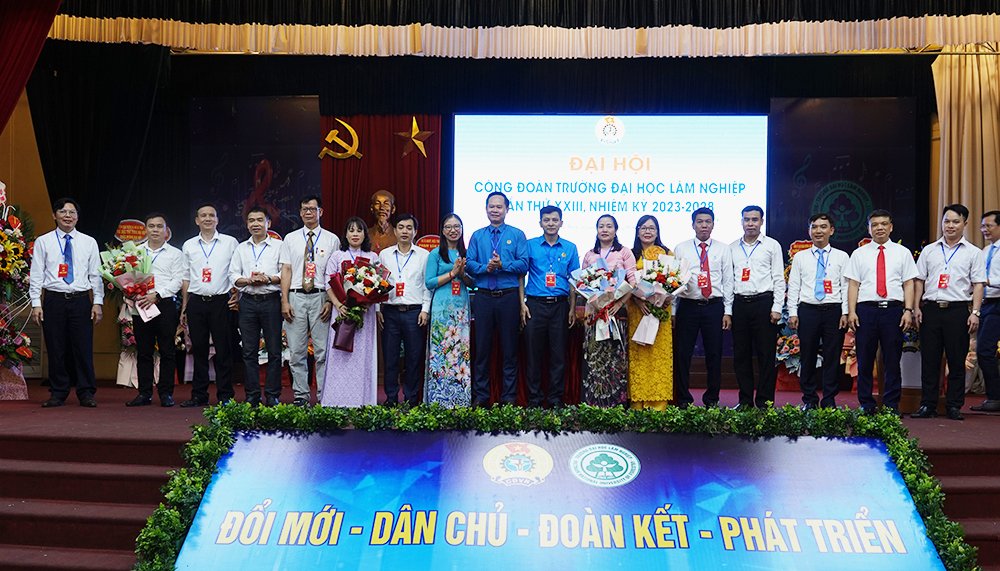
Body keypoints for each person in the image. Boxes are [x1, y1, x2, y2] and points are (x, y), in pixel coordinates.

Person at [911, 204, 985, 421]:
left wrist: (976, 312)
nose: (950, 225)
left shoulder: (973, 252)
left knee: (956, 360)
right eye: (946, 221)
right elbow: (919, 281)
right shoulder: (929, 250)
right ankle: (928, 405)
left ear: (965, 224)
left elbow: (978, 284)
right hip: (931, 310)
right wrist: (915, 307)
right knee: (930, 361)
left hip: (958, 311)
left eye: (955, 221)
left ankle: (953, 405)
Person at [29, 198, 104, 408]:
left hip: (81, 301)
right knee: (56, 348)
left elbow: (96, 275)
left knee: (83, 348)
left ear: (77, 217)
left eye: (72, 212)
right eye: (63, 212)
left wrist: (97, 302)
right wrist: (36, 303)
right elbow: (36, 274)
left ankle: (86, 392)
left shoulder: (89, 242)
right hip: (54, 300)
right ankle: (58, 392)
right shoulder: (43, 241)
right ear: (54, 215)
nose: (68, 216)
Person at [845, 209, 917, 414]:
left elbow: (909, 283)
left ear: (891, 227)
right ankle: (866, 404)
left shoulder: (902, 252)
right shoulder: (859, 254)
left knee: (892, 360)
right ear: (869, 228)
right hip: (866, 311)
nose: (879, 228)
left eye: (884, 224)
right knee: (865, 360)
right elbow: (853, 285)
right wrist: (851, 312)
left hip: (893, 311)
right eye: (874, 225)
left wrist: (908, 310)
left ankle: (891, 405)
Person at [466, 192, 528, 406]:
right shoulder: (477, 236)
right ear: (486, 209)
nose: (495, 210)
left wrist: (503, 265)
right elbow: (469, 264)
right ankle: (481, 397)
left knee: (509, 349)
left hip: (508, 297)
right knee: (482, 350)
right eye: (491, 206)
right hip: (483, 297)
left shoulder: (517, 234)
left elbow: (524, 264)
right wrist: (486, 268)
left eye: (499, 207)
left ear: (507, 209)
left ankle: (508, 398)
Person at [280, 195, 340, 406]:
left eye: (312, 209)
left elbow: (335, 274)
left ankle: (325, 396)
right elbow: (286, 270)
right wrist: (284, 300)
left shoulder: (332, 240)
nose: (308, 212)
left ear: (320, 212)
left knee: (323, 352)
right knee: (297, 351)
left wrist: (330, 301)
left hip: (321, 297)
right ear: (300, 212)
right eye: (304, 209)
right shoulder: (290, 239)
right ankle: (301, 396)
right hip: (295, 296)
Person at [672, 207, 734, 408]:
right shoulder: (681, 248)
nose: (704, 225)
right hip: (687, 306)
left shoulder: (723, 249)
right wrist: (673, 311)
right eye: (700, 222)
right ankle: (683, 399)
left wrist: (728, 311)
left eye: (708, 222)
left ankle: (712, 399)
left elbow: (728, 281)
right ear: (693, 225)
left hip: (713, 307)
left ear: (713, 225)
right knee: (683, 354)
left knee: (714, 354)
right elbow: (674, 281)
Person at [179, 203, 240, 407]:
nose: (207, 218)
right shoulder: (189, 245)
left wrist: (236, 295)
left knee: (224, 350)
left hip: (222, 301)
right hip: (196, 301)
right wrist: (185, 306)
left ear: (217, 219)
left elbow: (236, 271)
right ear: (197, 220)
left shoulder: (230, 243)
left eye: (211, 215)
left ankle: (225, 395)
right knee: (199, 349)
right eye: (203, 215)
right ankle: (199, 395)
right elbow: (186, 277)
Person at [787, 213, 849, 409]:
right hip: (808, 311)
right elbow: (794, 286)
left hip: (833, 311)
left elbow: (846, 287)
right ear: (809, 231)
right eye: (814, 227)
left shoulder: (842, 256)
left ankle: (829, 400)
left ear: (831, 230)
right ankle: (809, 400)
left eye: (823, 227)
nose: (818, 231)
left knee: (832, 357)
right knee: (807, 356)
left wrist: (845, 312)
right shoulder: (800, 257)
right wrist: (793, 312)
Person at [520, 205, 579, 408]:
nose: (551, 224)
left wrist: (572, 308)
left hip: (560, 306)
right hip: (534, 305)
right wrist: (522, 304)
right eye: (546, 220)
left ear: (561, 223)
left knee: (558, 355)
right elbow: (521, 275)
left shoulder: (570, 247)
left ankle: (555, 399)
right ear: (540, 223)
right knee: (533, 355)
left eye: (555, 220)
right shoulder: (530, 245)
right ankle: (534, 399)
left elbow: (574, 281)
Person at [728, 205, 785, 409]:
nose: (750, 224)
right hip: (739, 304)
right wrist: (728, 310)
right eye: (747, 219)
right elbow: (728, 281)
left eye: (754, 219)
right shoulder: (732, 248)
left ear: (762, 221)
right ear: (741, 221)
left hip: (764, 304)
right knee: (741, 355)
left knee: (766, 355)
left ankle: (765, 402)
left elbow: (779, 278)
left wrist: (777, 307)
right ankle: (745, 401)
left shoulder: (772, 245)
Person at [126, 213, 184, 407]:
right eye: (151, 226)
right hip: (141, 304)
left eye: (160, 226)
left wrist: (157, 295)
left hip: (164, 304)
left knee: (167, 351)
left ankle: (166, 393)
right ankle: (144, 393)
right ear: (146, 229)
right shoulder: (135, 253)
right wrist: (131, 292)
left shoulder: (175, 253)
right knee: (144, 351)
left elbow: (178, 280)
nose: (156, 230)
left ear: (166, 230)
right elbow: (127, 277)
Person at [580, 214, 636, 407]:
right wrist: (593, 306)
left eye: (609, 226)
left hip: (616, 315)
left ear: (616, 230)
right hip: (594, 316)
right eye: (601, 226)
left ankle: (616, 405)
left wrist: (619, 304)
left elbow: (633, 282)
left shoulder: (624, 252)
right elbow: (582, 284)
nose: (605, 230)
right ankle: (593, 404)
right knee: (594, 359)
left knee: (615, 360)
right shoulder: (590, 254)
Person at [230, 207, 283, 407]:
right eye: (251, 220)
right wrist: (248, 281)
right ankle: (252, 395)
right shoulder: (241, 248)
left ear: (268, 223)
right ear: (247, 224)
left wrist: (267, 279)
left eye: (260, 220)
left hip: (271, 300)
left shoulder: (279, 246)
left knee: (274, 350)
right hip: (248, 302)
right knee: (249, 351)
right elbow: (233, 275)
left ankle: (272, 394)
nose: (255, 224)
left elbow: (285, 273)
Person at [323, 217, 379, 407]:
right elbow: (328, 282)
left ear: (365, 234)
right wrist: (338, 305)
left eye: (359, 230)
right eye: (351, 230)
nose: (355, 234)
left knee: (363, 355)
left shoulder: (373, 257)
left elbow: (379, 285)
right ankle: (336, 400)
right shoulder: (337, 256)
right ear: (345, 234)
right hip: (342, 312)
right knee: (340, 354)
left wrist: (367, 303)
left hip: (365, 314)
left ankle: (363, 400)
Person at [377, 214, 431, 406]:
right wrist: (378, 309)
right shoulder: (384, 255)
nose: (405, 231)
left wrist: (425, 310)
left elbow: (427, 285)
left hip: (414, 312)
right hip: (390, 312)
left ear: (415, 232)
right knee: (390, 357)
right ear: (395, 230)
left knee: (413, 358)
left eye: (409, 228)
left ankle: (411, 399)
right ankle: (391, 398)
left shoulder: (424, 255)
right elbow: (378, 283)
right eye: (401, 227)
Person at [424, 213, 473, 408]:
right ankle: (439, 400)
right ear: (442, 231)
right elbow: (429, 282)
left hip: (461, 309)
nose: (453, 230)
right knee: (441, 351)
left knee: (461, 352)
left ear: (461, 230)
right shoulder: (435, 254)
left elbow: (473, 283)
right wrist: (452, 273)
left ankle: (460, 400)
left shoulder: (467, 253)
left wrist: (462, 274)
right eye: (448, 227)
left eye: (457, 226)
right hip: (442, 310)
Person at [628, 215, 674, 410]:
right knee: (639, 354)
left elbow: (674, 281)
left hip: (660, 312)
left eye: (651, 228)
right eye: (643, 228)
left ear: (657, 231)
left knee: (658, 357)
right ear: (637, 231)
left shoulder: (667, 253)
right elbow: (625, 283)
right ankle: (638, 403)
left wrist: (666, 298)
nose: (647, 231)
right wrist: (637, 299)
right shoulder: (630, 254)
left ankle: (658, 404)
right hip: (639, 311)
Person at [972, 210, 1000, 412]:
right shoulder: (985, 251)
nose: (984, 230)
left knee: (985, 350)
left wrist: (987, 281)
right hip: (987, 304)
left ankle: (995, 398)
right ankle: (994, 397)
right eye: (982, 226)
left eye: (988, 225)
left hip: (998, 303)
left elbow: (985, 279)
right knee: (984, 350)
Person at [369, 189, 397, 254]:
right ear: (372, 208)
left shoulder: (400, 236)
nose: (382, 208)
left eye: (386, 204)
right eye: (377, 203)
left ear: (393, 209)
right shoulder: (364, 235)